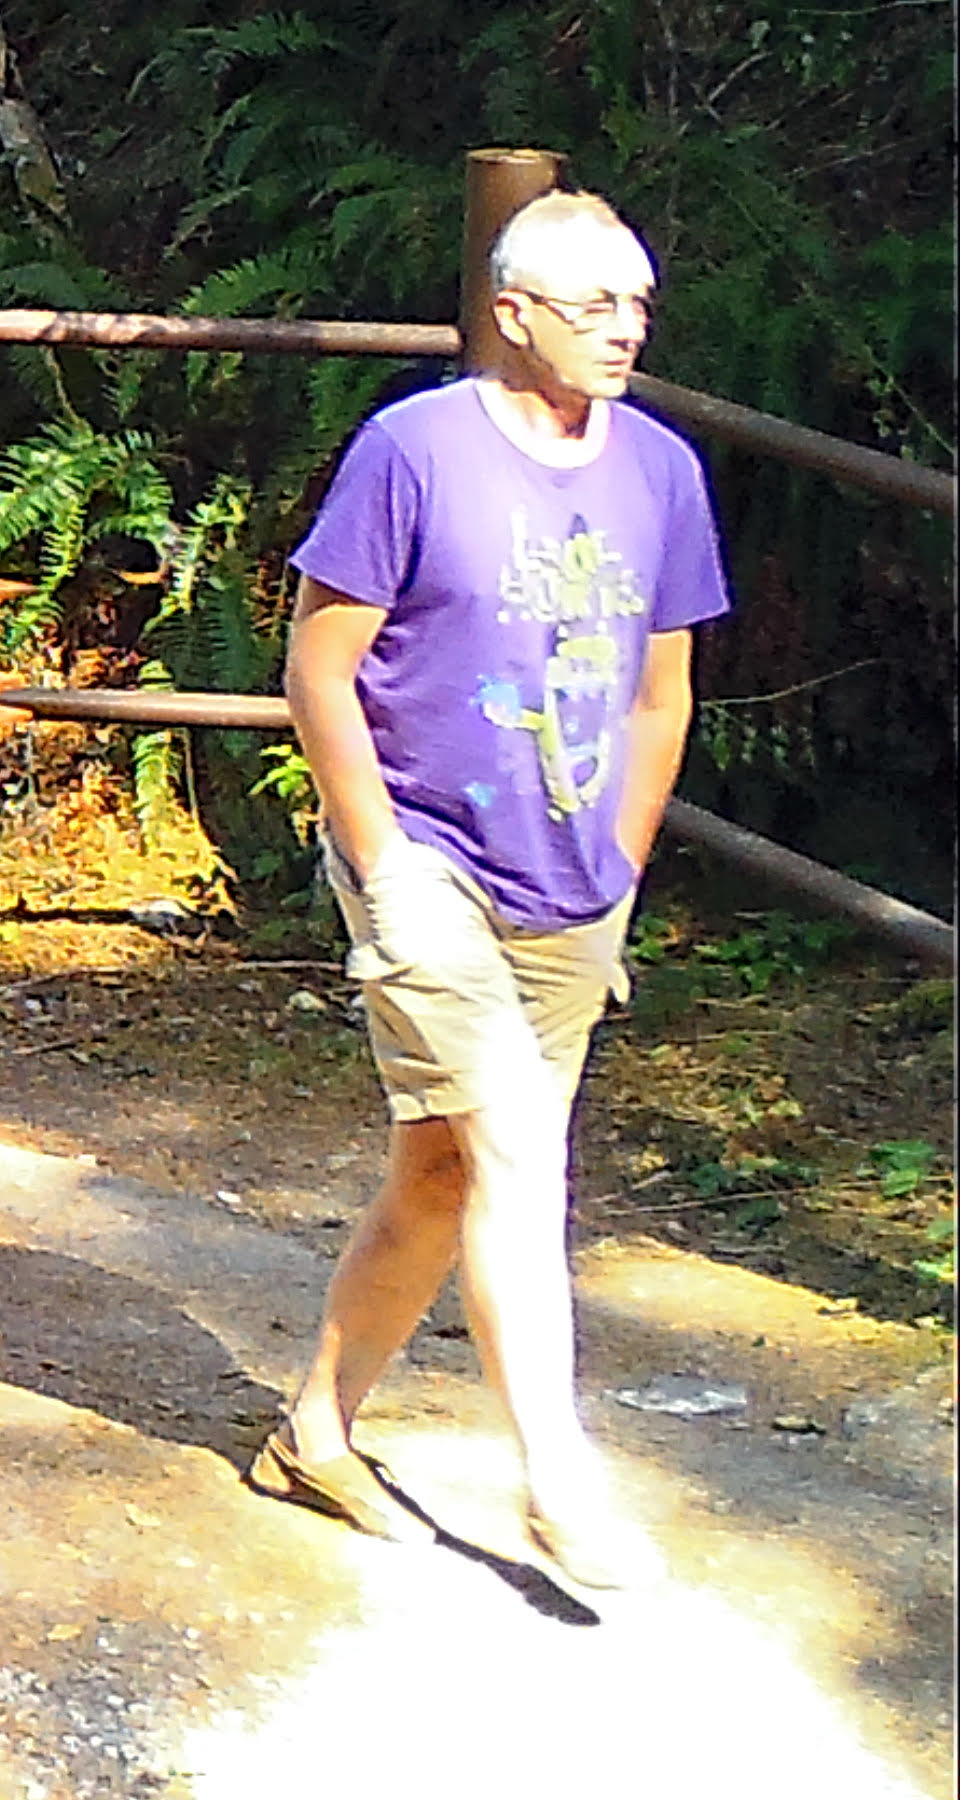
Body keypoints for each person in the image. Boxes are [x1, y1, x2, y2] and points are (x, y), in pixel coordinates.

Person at [247, 190, 730, 1586]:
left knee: (447, 1167)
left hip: (576, 880)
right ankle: (558, 1478)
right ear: (513, 315)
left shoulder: (661, 472)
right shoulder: (413, 452)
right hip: (428, 860)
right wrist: (383, 862)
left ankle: (313, 1432)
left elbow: (663, 691)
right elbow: (319, 669)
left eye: (637, 305)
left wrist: (622, 862)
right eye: (595, 307)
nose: (626, 331)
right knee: (516, 1145)